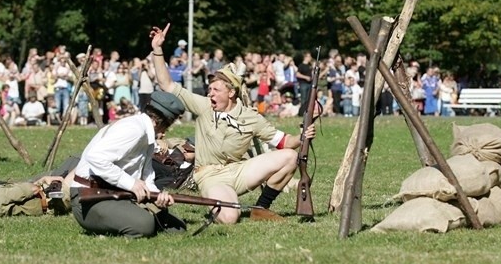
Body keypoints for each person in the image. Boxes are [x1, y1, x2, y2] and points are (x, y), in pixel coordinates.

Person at [149, 23, 316, 224]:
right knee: (229, 218)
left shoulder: (250, 117)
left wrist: (302, 136)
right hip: (210, 175)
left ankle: (261, 208)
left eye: (215, 90)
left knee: (290, 156)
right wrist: (157, 49)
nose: (210, 93)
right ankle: (223, 204)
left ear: (231, 93)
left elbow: (283, 142)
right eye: (209, 89)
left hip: (239, 171)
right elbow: (167, 84)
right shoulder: (204, 106)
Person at [70, 90, 187, 239]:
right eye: (167, 126)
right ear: (159, 122)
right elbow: (96, 157)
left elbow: (146, 176)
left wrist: (157, 197)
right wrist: (131, 183)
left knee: (177, 227)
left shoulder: (146, 134)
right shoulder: (134, 130)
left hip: (114, 193)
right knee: (145, 224)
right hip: (88, 198)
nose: (165, 133)